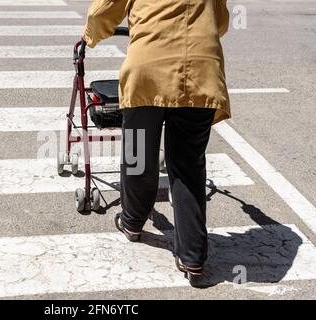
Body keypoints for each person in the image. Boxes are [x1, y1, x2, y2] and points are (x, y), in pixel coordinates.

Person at [82, 0, 230, 287]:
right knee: (188, 166)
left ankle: (133, 222)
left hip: (148, 72)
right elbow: (220, 21)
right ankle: (193, 258)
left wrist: (90, 36)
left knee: (137, 154)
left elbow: (102, 12)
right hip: (201, 71)